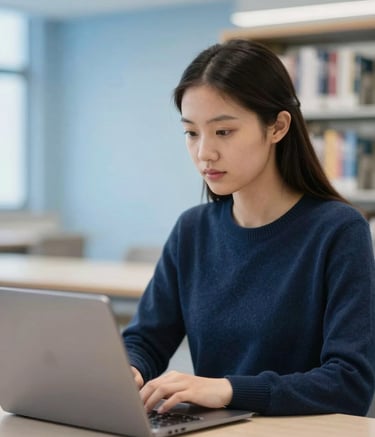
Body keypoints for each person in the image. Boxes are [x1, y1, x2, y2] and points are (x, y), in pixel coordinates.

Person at [122, 39, 375, 416]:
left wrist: (227, 390)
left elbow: (349, 382)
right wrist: (129, 371)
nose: (204, 152)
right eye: (191, 133)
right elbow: (145, 339)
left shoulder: (338, 231)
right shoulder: (192, 229)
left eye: (223, 132)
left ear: (277, 127)